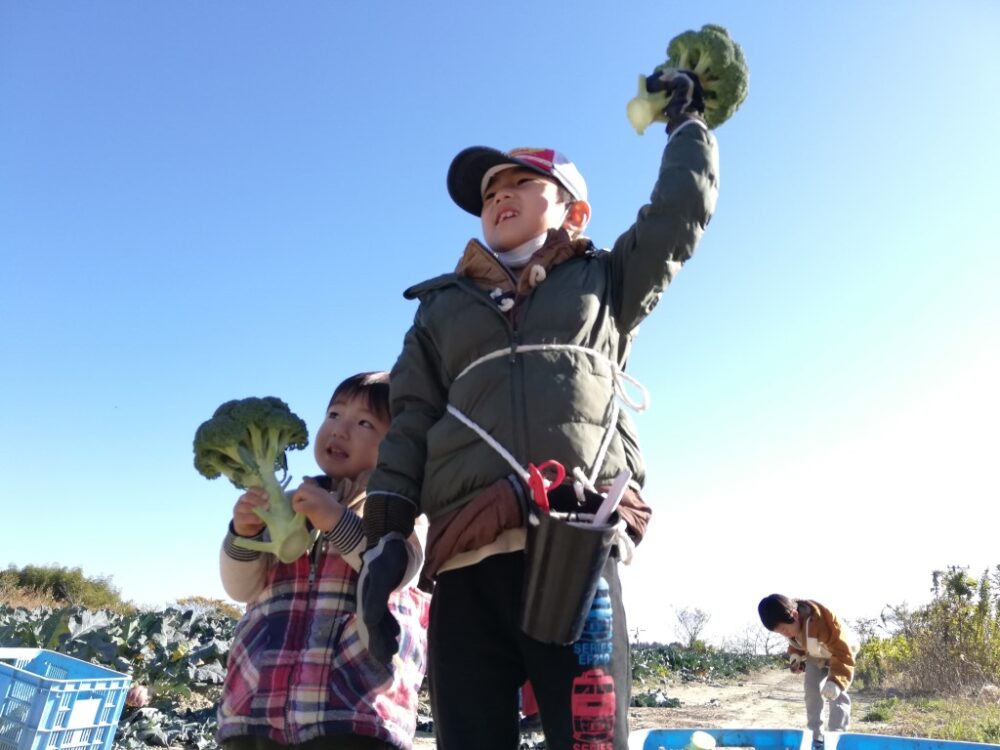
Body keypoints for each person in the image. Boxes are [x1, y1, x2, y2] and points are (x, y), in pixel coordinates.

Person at [358, 69, 719, 750]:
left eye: (520, 184)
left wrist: (687, 128)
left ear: (572, 211)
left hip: (576, 549)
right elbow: (409, 421)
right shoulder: (439, 310)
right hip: (467, 557)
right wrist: (385, 534)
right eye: (490, 192)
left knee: (590, 743)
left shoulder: (609, 281)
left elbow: (678, 217)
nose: (499, 197)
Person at [216, 372, 430, 750]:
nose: (340, 429)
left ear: (400, 444)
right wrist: (244, 534)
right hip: (255, 707)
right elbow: (241, 587)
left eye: (365, 422)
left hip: (355, 711)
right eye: (334, 414)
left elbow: (398, 569)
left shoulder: (404, 506)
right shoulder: (288, 503)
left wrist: (336, 520)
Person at [758, 594, 856, 749]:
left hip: (840, 654)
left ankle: (837, 739)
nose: (784, 633)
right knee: (811, 690)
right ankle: (816, 739)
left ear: (795, 615)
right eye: (780, 632)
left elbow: (843, 653)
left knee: (837, 696)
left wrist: (836, 681)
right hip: (816, 656)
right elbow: (798, 642)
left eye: (784, 629)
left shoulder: (823, 621)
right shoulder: (793, 624)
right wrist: (796, 657)